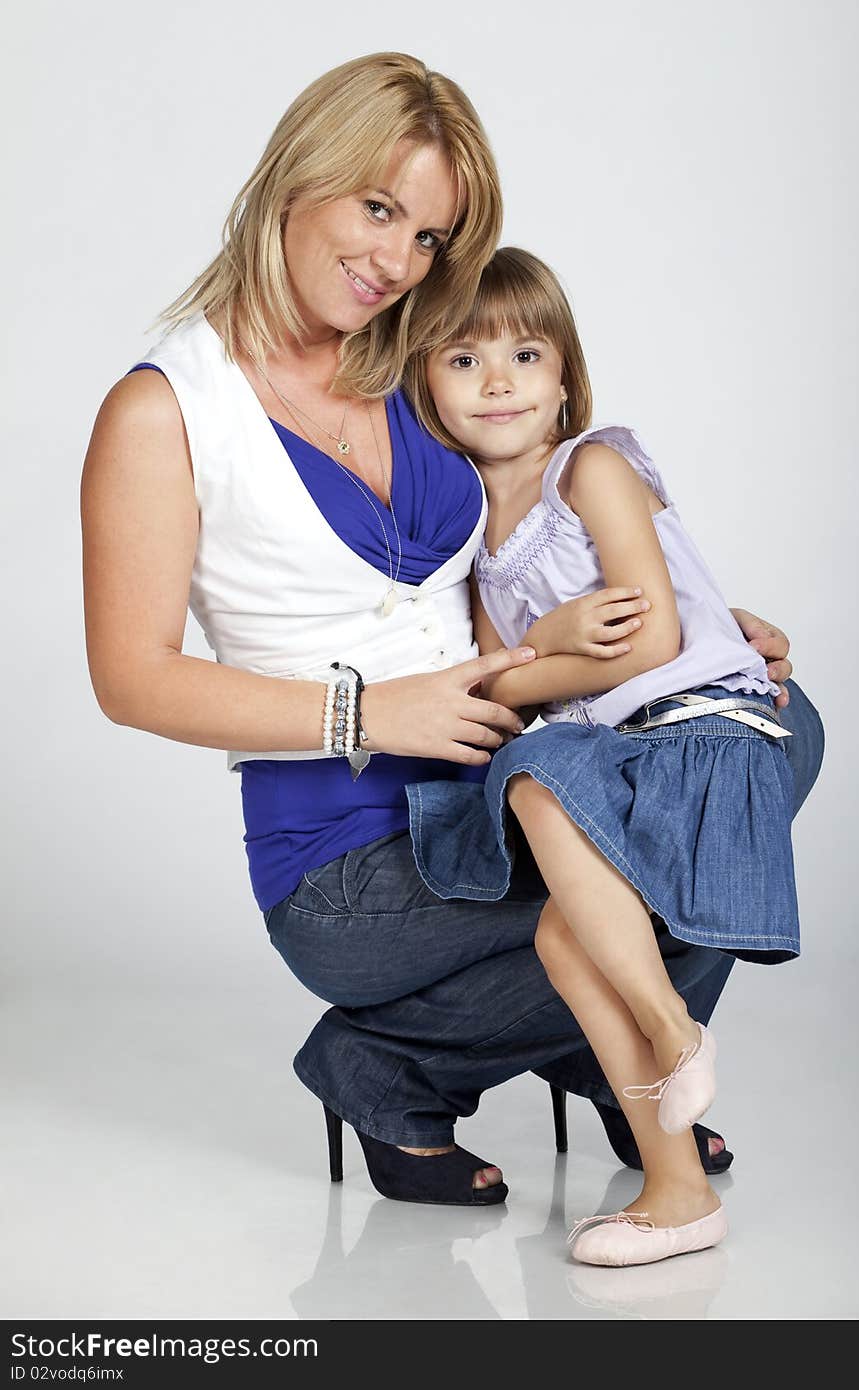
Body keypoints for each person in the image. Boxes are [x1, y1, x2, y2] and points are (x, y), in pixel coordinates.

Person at [81, 54, 821, 1210]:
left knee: (758, 748)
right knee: (673, 860)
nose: (395, 260)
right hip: (349, 855)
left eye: (429, 237)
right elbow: (129, 678)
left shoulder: (409, 354)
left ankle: (601, 1039)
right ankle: (392, 1065)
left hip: (500, 770)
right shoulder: (164, 409)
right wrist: (368, 712)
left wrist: (692, 631)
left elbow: (536, 528)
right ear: (296, 178)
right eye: (379, 208)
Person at [405, 246, 808, 1257]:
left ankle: (673, 1028)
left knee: (535, 775)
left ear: (564, 378)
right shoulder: (479, 553)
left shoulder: (592, 466)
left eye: (524, 354)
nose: (497, 382)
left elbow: (655, 639)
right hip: (624, 745)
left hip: (708, 721)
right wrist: (555, 645)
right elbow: (497, 690)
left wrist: (543, 656)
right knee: (554, 928)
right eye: (462, 360)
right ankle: (677, 1192)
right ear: (424, 383)